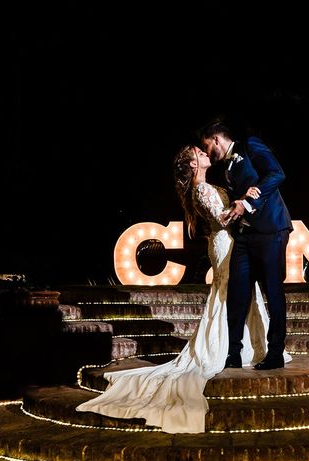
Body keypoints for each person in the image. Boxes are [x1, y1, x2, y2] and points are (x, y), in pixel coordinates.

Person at [75, 145, 290, 433]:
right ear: (192, 165)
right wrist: (244, 202)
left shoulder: (211, 183)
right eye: (199, 154)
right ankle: (231, 348)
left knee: (242, 295)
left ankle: (247, 347)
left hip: (230, 244)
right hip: (225, 245)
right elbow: (223, 218)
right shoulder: (201, 189)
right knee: (229, 294)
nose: (205, 155)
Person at [200, 122, 293, 371]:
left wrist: (251, 199)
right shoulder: (222, 169)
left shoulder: (250, 145)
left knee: (272, 290)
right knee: (238, 292)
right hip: (243, 234)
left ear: (216, 139)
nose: (207, 151)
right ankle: (233, 353)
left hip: (270, 229)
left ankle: (275, 353)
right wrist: (237, 204)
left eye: (206, 146)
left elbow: (277, 173)